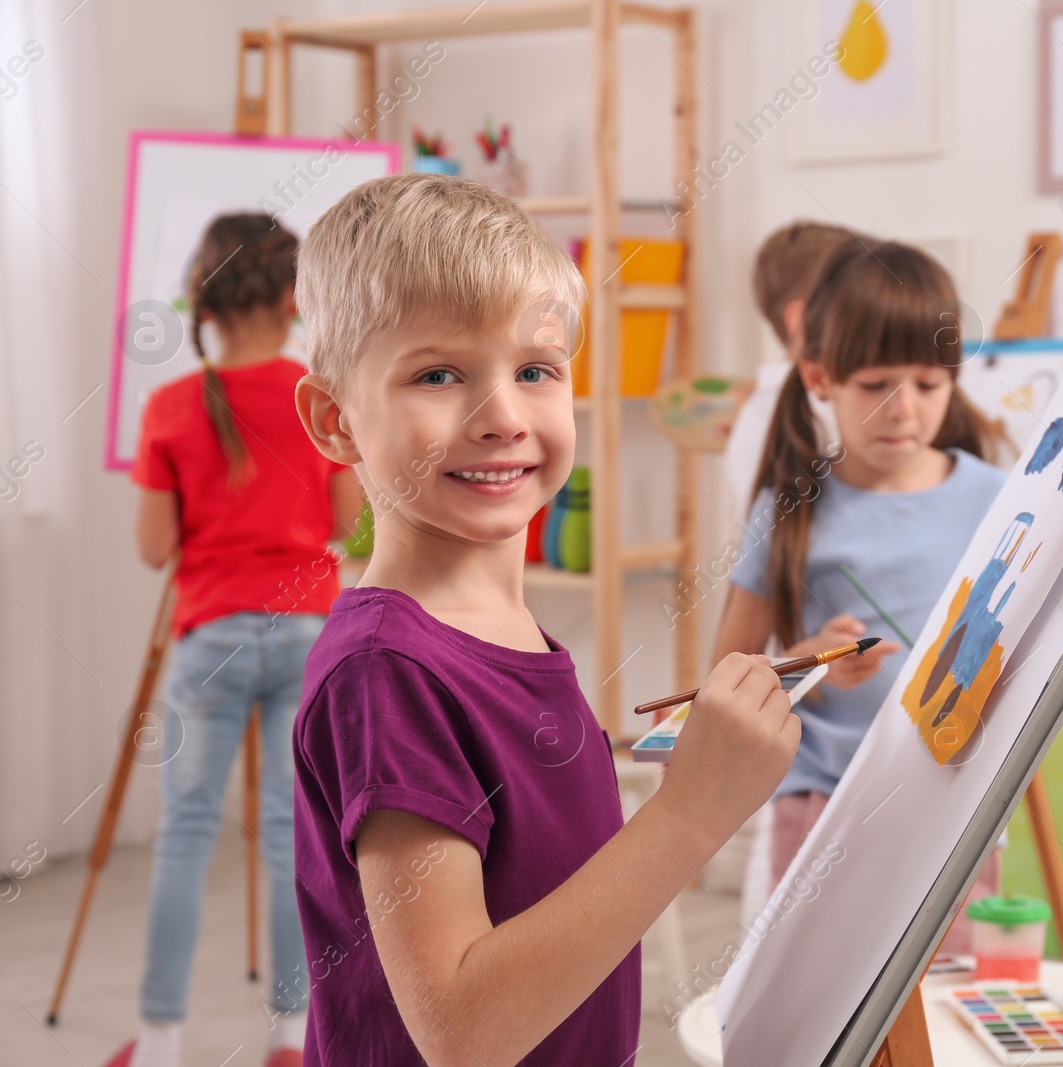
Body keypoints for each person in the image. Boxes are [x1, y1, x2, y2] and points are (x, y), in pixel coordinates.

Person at [287, 173, 800, 1066]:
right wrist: (688, 816)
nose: (504, 416)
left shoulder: (511, 633)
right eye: (439, 374)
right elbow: (463, 1029)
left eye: (535, 371)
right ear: (336, 420)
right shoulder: (387, 670)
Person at [112, 215, 364, 1067]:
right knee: (295, 836)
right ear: (296, 297)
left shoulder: (170, 406)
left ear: (208, 297)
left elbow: (153, 547)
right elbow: (350, 524)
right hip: (308, 631)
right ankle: (292, 1038)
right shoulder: (316, 395)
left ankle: (159, 1042)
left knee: (184, 833)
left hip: (209, 636)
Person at [712, 239, 1009, 955]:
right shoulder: (789, 509)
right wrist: (809, 663)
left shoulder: (999, 501)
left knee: (941, 1006)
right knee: (814, 1004)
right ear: (820, 376)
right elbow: (726, 676)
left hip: (951, 807)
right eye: (876, 384)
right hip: (821, 804)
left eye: (929, 386)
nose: (903, 410)